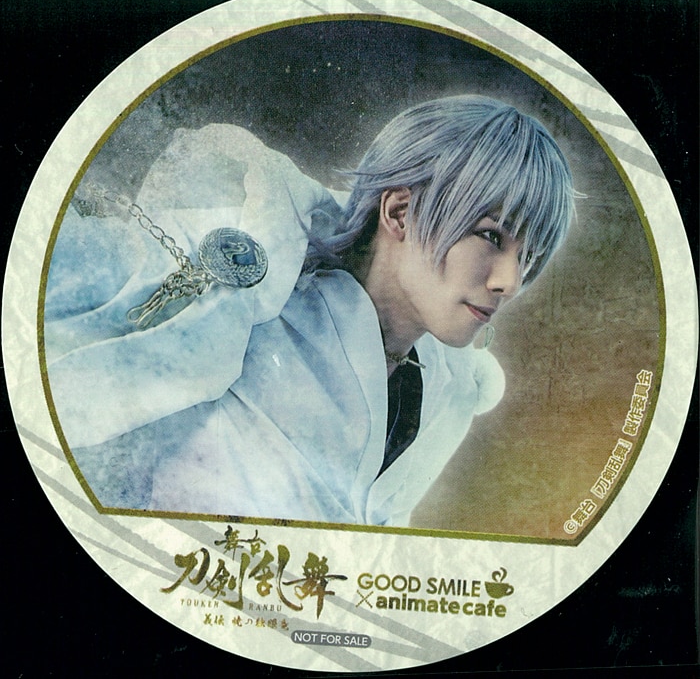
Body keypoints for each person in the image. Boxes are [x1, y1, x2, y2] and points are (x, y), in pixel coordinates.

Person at [44, 95, 575, 527]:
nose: (510, 282)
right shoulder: (246, 314)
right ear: (400, 211)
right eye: (491, 236)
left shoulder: (449, 393)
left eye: (528, 257)